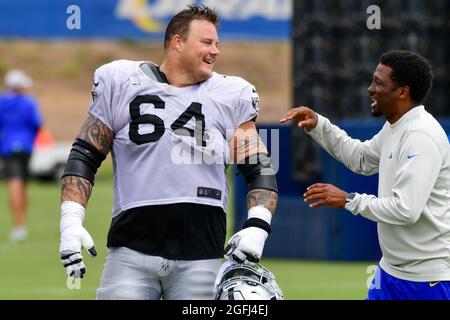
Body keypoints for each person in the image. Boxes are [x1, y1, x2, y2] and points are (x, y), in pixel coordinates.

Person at [59, 4, 278, 300]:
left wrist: (258, 225)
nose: (215, 51)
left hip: (202, 257)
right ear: (178, 41)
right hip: (131, 253)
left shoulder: (231, 95)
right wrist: (71, 221)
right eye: (206, 42)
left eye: (217, 44)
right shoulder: (121, 82)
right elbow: (84, 155)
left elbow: (260, 168)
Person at [281, 50, 450, 300]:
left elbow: (406, 210)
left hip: (426, 281)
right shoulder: (396, 126)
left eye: (379, 83)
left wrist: (349, 200)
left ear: (402, 92)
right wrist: (320, 126)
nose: (370, 89)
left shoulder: (420, 136)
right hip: (389, 272)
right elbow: (361, 159)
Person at [0, 69, 42, 242]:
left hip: (8, 146)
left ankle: (19, 225)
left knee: (15, 184)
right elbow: (37, 124)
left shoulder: (2, 102)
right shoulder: (28, 103)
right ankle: (21, 224)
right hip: (25, 146)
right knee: (21, 184)